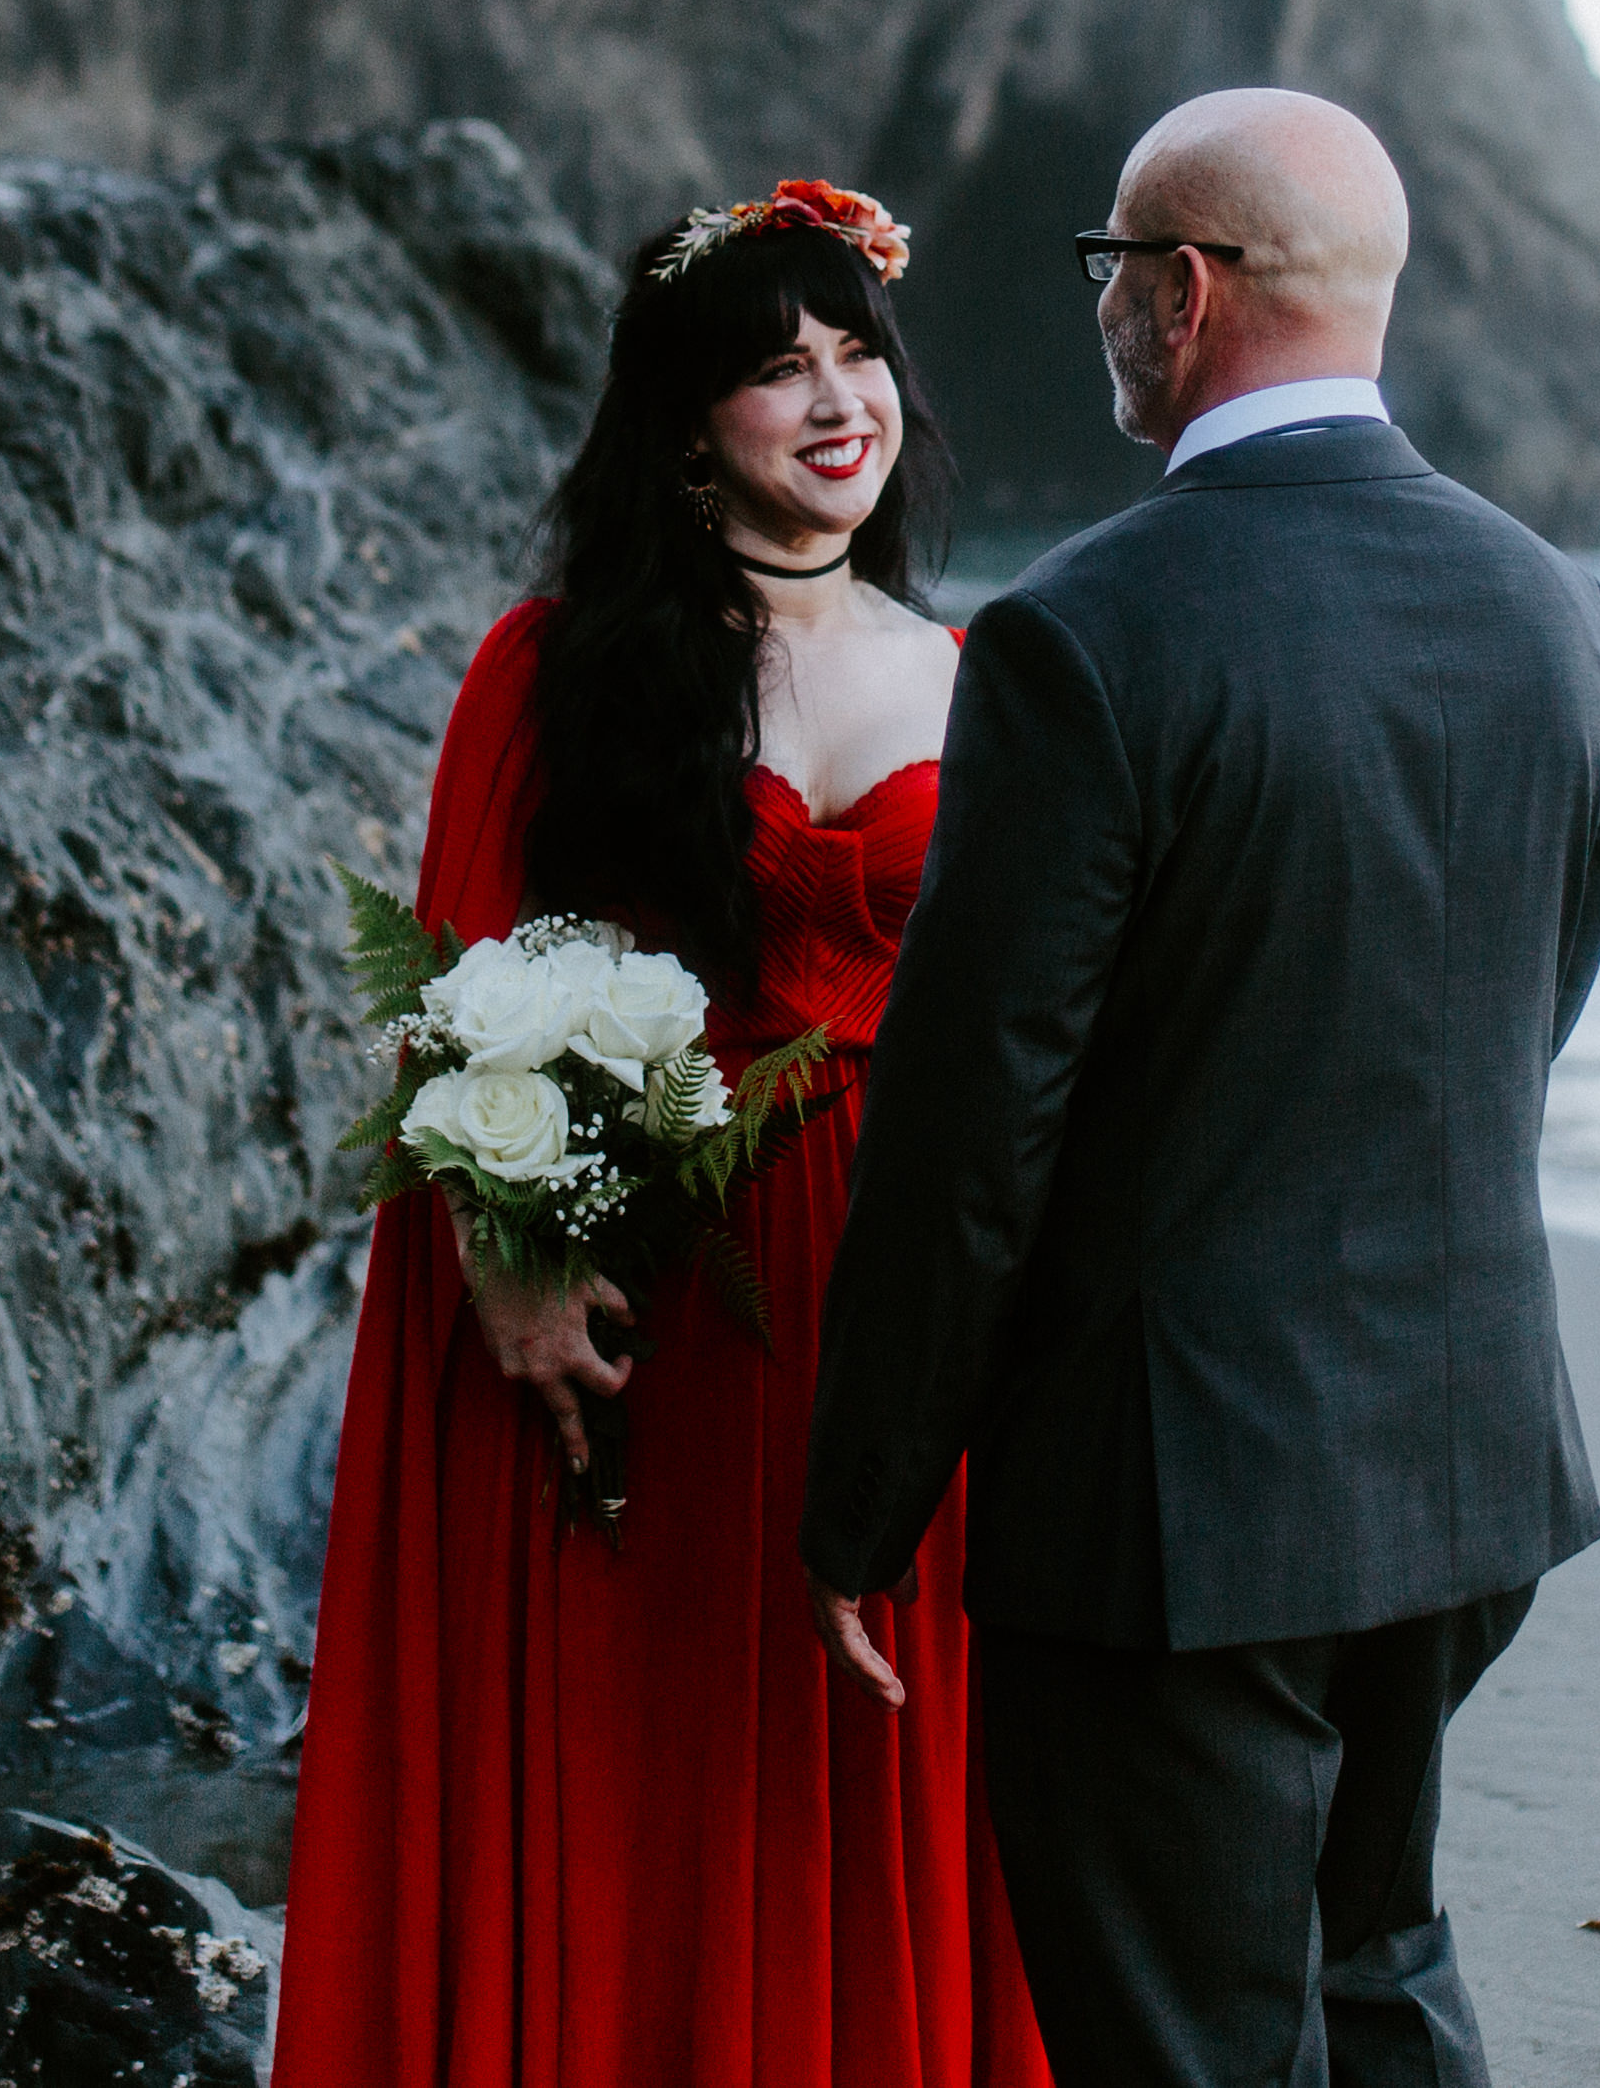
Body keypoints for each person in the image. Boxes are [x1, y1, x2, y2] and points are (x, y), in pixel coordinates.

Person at [800, 90, 1600, 2088]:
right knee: (1379, 1959)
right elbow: (1528, 1005)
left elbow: (977, 1115)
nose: (1098, 308)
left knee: (1188, 2041)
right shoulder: (1555, 605)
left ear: (1182, 295)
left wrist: (865, 1499)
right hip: (1466, 1457)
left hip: (1180, 1509)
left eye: (1112, 267)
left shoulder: (1090, 628)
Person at [277, 180, 1046, 2088]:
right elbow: (451, 989)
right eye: (774, 367)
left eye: (856, 349)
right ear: (684, 420)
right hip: (640, 1294)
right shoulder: (551, 665)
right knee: (639, 1750)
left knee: (844, 1745)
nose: (834, 394)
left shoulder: (976, 681)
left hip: (890, 1299)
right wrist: (508, 1268)